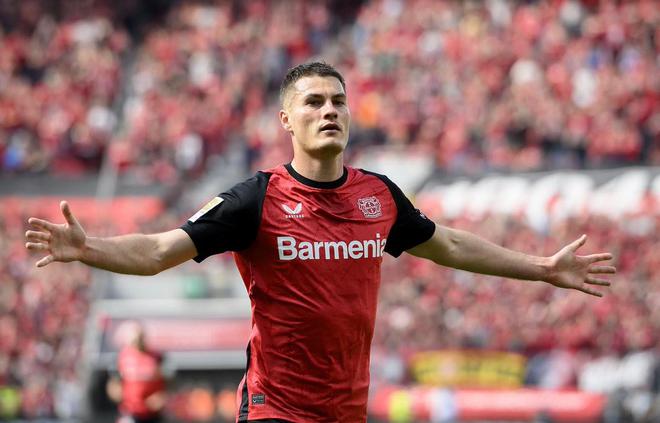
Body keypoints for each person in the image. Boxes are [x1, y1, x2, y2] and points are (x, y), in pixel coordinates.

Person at [25, 62, 616, 423]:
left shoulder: (379, 196)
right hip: (276, 409)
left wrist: (543, 267)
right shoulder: (255, 199)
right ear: (287, 120)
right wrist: (88, 247)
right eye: (314, 102)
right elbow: (159, 252)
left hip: (347, 410)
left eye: (338, 101)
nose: (330, 110)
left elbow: (452, 247)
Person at [106, 321, 166, 423]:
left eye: (140, 337)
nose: (137, 340)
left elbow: (168, 380)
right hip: (130, 411)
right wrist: (118, 394)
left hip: (152, 413)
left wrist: (161, 397)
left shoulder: (156, 357)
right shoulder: (121, 357)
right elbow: (113, 383)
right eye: (135, 338)